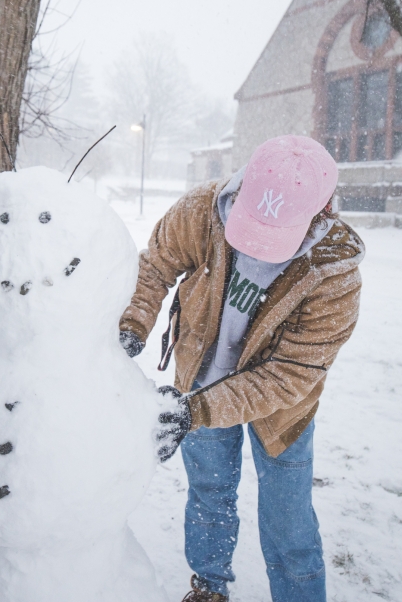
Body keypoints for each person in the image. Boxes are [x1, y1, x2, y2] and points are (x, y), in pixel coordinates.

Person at [123, 135, 364, 602]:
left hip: (282, 410)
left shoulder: (334, 273)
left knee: (288, 520)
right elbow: (155, 265)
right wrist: (132, 324)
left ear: (323, 211)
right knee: (210, 496)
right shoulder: (202, 210)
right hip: (199, 380)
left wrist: (201, 411)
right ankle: (210, 587)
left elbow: (291, 373)